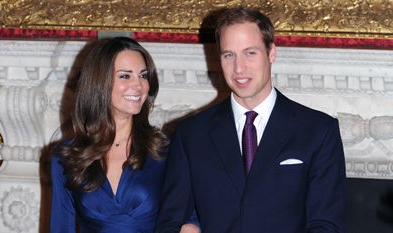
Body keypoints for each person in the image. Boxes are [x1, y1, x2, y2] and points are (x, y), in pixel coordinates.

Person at [156, 7, 346, 233]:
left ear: (271, 53)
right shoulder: (191, 135)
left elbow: (326, 225)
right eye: (229, 55)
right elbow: (170, 222)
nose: (239, 68)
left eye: (250, 53)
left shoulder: (318, 131)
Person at [50, 37, 199, 233]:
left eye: (143, 76)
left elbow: (192, 216)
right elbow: (61, 227)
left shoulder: (166, 150)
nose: (139, 86)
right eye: (125, 76)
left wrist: (191, 226)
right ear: (100, 82)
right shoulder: (67, 155)